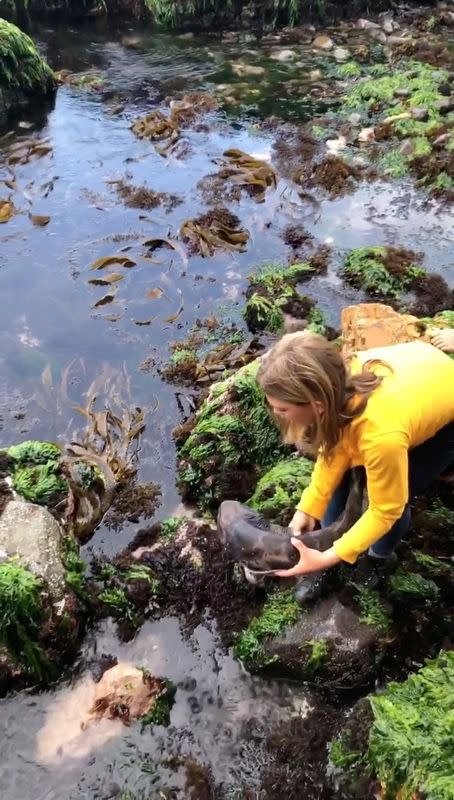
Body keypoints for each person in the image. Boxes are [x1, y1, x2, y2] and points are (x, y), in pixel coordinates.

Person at [256, 331, 454, 581]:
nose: (275, 412)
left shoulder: (381, 436)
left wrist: (329, 557)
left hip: (443, 405)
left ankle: (380, 558)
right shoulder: (332, 384)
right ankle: (333, 544)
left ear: (317, 406)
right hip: (416, 369)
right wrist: (309, 508)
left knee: (395, 498)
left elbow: (386, 510)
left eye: (282, 409)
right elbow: (333, 450)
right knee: (342, 483)